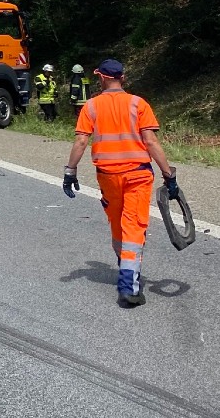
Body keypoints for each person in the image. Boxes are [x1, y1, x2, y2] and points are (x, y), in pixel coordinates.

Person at [62, 59, 179, 308]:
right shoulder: (138, 103)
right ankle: (129, 287)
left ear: (101, 78)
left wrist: (70, 172)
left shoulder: (91, 106)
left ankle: (125, 265)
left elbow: (81, 142)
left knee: (117, 222)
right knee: (134, 226)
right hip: (137, 175)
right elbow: (151, 142)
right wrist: (168, 174)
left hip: (107, 176)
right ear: (122, 78)